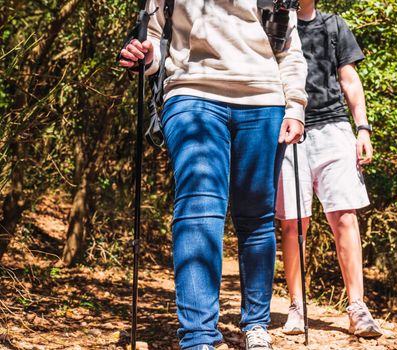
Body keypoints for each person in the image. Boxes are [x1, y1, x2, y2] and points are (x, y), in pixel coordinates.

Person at [118, 2, 308, 350]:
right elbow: (156, 39)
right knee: (198, 209)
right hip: (192, 93)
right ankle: (199, 337)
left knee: (256, 216)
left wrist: (295, 105)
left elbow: (289, 47)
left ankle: (256, 324)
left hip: (265, 98)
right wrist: (144, 56)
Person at [275, 0, 383, 338]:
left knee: (345, 216)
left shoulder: (334, 26)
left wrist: (362, 127)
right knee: (294, 222)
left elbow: (349, 79)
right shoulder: (272, 23)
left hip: (334, 128)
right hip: (288, 127)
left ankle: (357, 307)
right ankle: (296, 306)